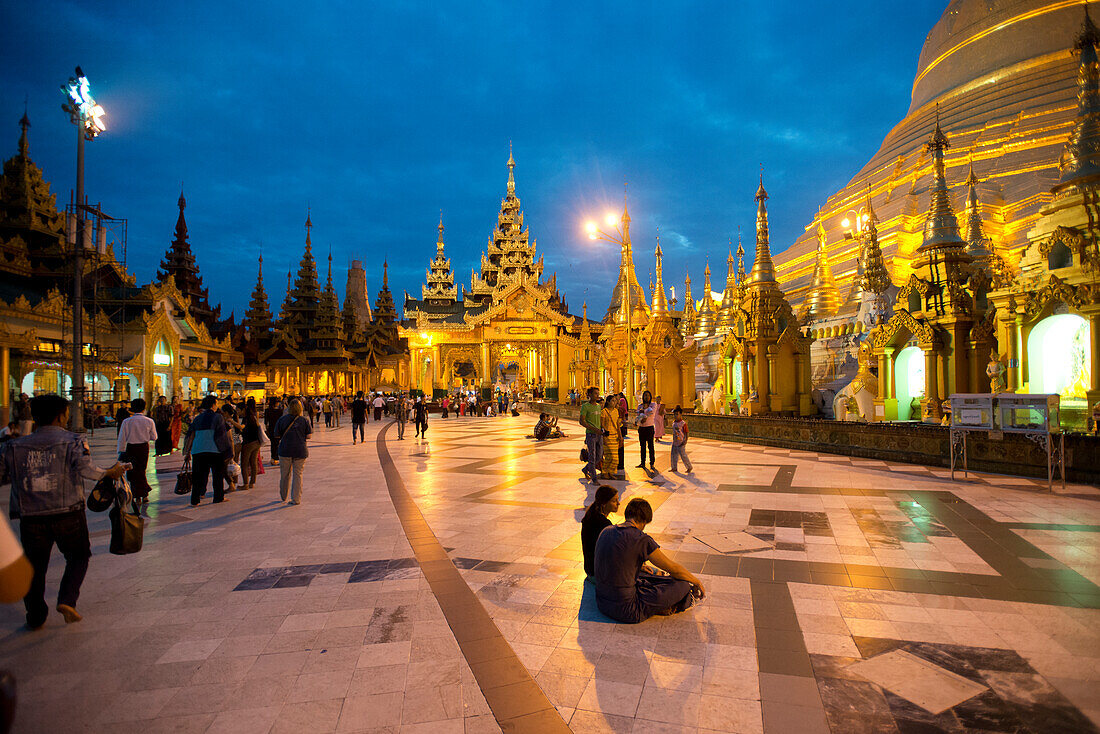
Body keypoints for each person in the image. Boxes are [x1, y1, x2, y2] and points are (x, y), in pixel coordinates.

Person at [0, 394, 127, 628]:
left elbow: (3, 475)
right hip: (68, 512)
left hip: (31, 515)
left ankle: (35, 615)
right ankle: (67, 599)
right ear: (61, 416)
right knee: (78, 556)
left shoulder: (13, 446)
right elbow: (86, 469)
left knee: (35, 566)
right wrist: (110, 472)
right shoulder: (74, 440)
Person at [593, 498, 705, 624]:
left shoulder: (606, 531)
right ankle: (673, 604)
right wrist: (696, 581)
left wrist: (638, 567)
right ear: (644, 521)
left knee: (648, 573)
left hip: (602, 602)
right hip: (628, 610)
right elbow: (673, 568)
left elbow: (614, 562)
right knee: (683, 584)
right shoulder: (641, 539)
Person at [183, 395, 233, 506]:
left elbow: (191, 435)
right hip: (214, 450)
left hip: (198, 450)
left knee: (198, 476)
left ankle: (195, 500)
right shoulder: (218, 417)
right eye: (216, 403)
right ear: (213, 405)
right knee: (217, 475)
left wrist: (187, 451)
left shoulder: (197, 418)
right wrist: (227, 450)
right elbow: (221, 435)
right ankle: (218, 497)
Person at [117, 398, 158, 506]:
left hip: (131, 448)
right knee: (141, 470)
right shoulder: (149, 421)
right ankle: (144, 494)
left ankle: (137, 496)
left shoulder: (127, 421)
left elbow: (122, 438)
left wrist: (120, 451)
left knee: (133, 472)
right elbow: (154, 437)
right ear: (144, 408)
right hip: (143, 448)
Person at [274, 398, 311, 504]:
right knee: (298, 474)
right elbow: (309, 436)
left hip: (285, 449)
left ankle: (283, 495)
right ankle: (296, 498)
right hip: (300, 450)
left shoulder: (282, 420)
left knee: (285, 474)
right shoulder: (304, 420)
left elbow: (276, 435)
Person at [581, 485, 619, 579]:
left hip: (590, 570)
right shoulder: (603, 524)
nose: (618, 503)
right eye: (614, 501)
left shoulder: (591, 514)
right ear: (604, 503)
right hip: (599, 573)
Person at [579, 387, 603, 484]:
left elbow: (599, 419)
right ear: (589, 395)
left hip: (599, 434)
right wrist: (593, 428)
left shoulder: (598, 406)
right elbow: (581, 421)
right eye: (595, 394)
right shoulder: (585, 406)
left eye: (598, 393)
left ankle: (586, 469)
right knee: (592, 456)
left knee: (599, 456)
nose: (597, 395)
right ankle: (594, 479)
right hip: (591, 434)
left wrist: (601, 429)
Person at [239, 400, 263, 490]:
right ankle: (252, 482)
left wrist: (233, 422)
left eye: (238, 410)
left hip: (248, 443)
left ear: (243, 410)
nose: (238, 412)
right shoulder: (253, 416)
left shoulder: (246, 418)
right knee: (253, 463)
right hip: (256, 442)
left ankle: (245, 484)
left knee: (244, 464)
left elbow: (242, 427)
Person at [600, 395, 622, 480]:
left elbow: (617, 425)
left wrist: (620, 436)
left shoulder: (616, 411)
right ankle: (605, 471)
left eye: (615, 401)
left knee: (615, 457)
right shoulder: (604, 412)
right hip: (607, 436)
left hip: (615, 436)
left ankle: (611, 472)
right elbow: (602, 425)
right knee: (609, 456)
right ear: (608, 402)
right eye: (613, 401)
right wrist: (603, 437)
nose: (615, 402)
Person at [636, 391, 657, 471]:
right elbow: (637, 414)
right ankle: (642, 462)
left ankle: (652, 463)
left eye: (648, 395)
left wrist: (644, 416)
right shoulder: (640, 405)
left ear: (650, 396)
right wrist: (641, 419)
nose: (646, 397)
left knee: (650, 446)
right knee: (642, 446)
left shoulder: (653, 404)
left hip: (649, 427)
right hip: (641, 428)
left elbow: (651, 412)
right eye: (645, 395)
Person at [670, 406, 693, 473]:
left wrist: (685, 440)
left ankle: (689, 467)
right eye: (674, 414)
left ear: (680, 414)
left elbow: (686, 432)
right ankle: (674, 468)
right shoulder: (674, 423)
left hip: (681, 442)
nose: (675, 416)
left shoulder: (683, 423)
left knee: (683, 456)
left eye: (677, 414)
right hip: (675, 442)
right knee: (673, 455)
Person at [264, 397, 283, 466]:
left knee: (273, 444)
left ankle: (274, 457)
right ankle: (276, 457)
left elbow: (266, 422)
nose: (278, 403)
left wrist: (267, 429)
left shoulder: (267, 411)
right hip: (277, 429)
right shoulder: (280, 411)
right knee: (277, 444)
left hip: (272, 429)